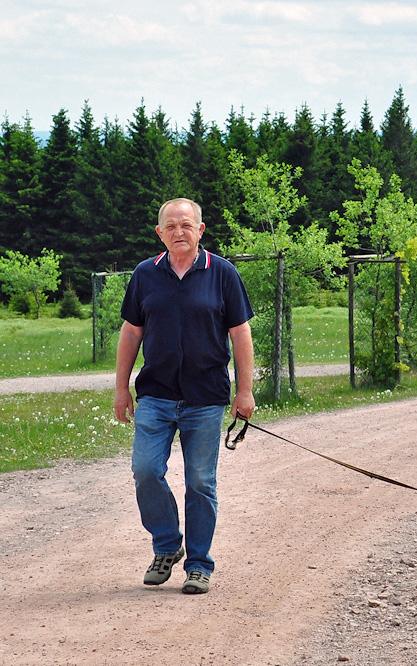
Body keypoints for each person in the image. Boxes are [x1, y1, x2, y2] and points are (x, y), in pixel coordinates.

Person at [114, 198, 255, 595]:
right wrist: (121, 387)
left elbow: (240, 335)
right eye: (171, 226)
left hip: (205, 398)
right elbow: (131, 333)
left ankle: (198, 564)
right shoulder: (145, 275)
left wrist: (244, 390)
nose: (179, 231)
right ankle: (166, 545)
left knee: (199, 481)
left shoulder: (222, 273)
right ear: (159, 233)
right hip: (156, 395)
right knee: (145, 470)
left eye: (186, 225)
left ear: (200, 229)